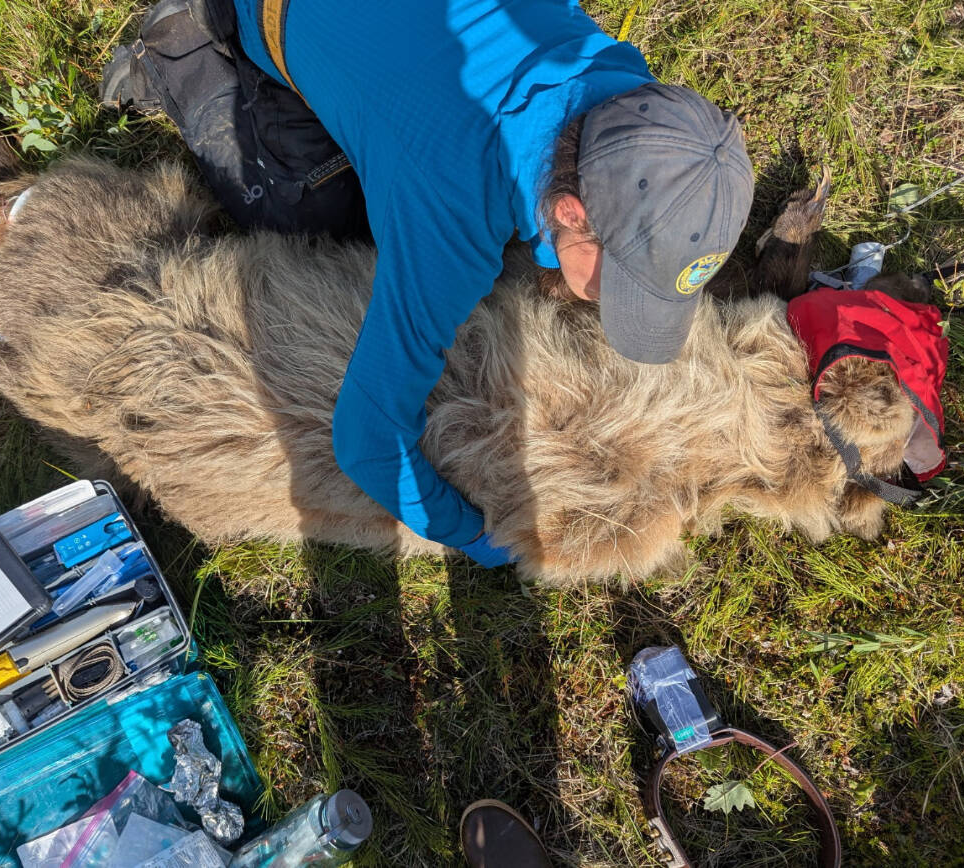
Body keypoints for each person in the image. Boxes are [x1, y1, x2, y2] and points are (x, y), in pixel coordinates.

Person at [105, 0, 754, 568]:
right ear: (571, 213)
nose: (611, 302)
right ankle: (187, 51)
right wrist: (473, 536)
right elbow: (367, 438)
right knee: (322, 222)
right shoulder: (451, 219)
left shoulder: (624, 87)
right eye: (620, 286)